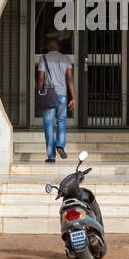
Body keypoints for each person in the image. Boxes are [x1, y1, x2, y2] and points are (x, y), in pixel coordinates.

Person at [36, 35, 75, 163]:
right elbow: (69, 79)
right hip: (62, 95)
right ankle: (60, 145)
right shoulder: (66, 59)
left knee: (48, 125)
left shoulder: (44, 58)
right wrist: (73, 97)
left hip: (48, 94)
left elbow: (41, 78)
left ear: (48, 47)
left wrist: (39, 91)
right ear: (58, 47)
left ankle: (51, 157)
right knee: (62, 121)